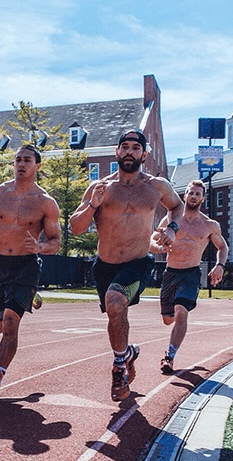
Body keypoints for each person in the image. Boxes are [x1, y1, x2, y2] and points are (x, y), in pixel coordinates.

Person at [70, 131, 183, 402]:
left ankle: (119, 367)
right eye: (125, 147)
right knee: (114, 313)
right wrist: (91, 206)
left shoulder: (157, 186)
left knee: (115, 299)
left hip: (138, 262)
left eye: (136, 148)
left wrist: (172, 229)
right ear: (117, 152)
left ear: (144, 155)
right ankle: (127, 354)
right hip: (105, 264)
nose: (130, 152)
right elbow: (75, 228)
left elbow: (176, 207)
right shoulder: (100, 187)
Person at [0, 144, 61, 402]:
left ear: (37, 166)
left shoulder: (46, 203)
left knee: (10, 323)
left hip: (26, 266)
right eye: (17, 160)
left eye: (27, 160)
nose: (21, 164)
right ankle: (29, 297)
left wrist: (41, 246)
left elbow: (55, 241)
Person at [150, 179, 229, 374]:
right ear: (184, 196)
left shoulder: (210, 225)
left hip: (191, 274)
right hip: (171, 273)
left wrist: (220, 266)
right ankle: (177, 324)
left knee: (181, 311)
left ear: (202, 198)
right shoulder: (170, 220)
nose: (193, 196)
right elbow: (150, 241)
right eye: (190, 193)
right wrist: (160, 246)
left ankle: (169, 357)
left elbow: (223, 247)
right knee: (168, 319)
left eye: (197, 194)